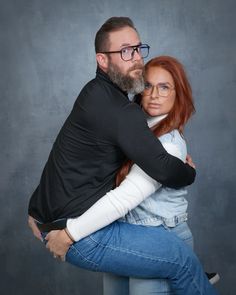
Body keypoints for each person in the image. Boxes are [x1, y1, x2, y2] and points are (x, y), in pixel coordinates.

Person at [28, 17, 218, 294]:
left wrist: (36, 209)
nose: (137, 58)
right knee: (181, 258)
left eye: (139, 49)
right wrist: (189, 172)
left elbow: (65, 154)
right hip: (80, 232)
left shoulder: (93, 93)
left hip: (62, 224)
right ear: (102, 61)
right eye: (126, 51)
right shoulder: (121, 112)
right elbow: (164, 170)